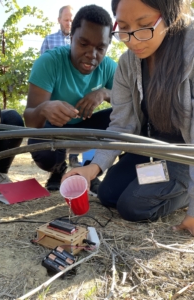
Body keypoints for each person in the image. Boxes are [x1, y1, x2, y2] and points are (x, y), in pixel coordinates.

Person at [63, 0, 194, 236]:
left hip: (185, 153)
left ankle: (186, 191)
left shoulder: (190, 54)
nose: (132, 40)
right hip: (150, 148)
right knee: (108, 194)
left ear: (170, 15)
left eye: (144, 25)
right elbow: (122, 124)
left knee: (134, 207)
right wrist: (93, 169)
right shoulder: (127, 64)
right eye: (123, 27)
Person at [24, 5, 117, 195]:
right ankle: (58, 171)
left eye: (100, 48)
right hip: (54, 131)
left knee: (123, 116)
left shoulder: (109, 67)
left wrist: (104, 93)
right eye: (83, 44)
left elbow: (129, 105)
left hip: (86, 128)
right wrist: (43, 109)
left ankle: (92, 171)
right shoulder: (49, 62)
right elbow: (30, 121)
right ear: (71, 38)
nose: (92, 55)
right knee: (42, 149)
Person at [40, 5, 80, 168]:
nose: (69, 23)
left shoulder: (80, 41)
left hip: (76, 93)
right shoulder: (49, 40)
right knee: (58, 129)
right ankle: (58, 167)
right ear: (59, 20)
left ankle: (75, 158)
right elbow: (42, 68)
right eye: (66, 20)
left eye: (72, 20)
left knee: (77, 125)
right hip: (56, 95)